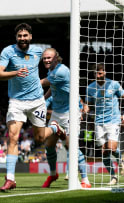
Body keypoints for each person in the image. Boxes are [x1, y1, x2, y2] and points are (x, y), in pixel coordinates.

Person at [0, 23, 66, 192]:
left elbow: (55, 60)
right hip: (16, 102)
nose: (22, 39)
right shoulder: (8, 51)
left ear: (31, 37)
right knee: (12, 137)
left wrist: (56, 76)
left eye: (25, 36)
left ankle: (54, 127)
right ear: (16, 37)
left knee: (40, 139)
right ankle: (10, 179)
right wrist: (15, 72)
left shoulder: (38, 51)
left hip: (37, 101)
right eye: (20, 36)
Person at [40, 48, 91, 188]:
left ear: (56, 57)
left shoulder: (61, 71)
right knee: (49, 145)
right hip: (57, 112)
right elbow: (52, 86)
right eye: (44, 58)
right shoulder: (51, 71)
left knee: (71, 146)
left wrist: (24, 85)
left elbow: (42, 83)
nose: (46, 60)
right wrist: (43, 99)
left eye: (49, 57)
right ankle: (53, 174)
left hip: (71, 112)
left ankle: (85, 179)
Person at [85, 63, 124, 185]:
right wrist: (85, 108)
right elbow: (88, 104)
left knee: (111, 148)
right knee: (104, 151)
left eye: (100, 72)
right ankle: (113, 177)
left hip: (113, 120)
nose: (98, 75)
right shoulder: (90, 88)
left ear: (105, 72)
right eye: (96, 73)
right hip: (98, 122)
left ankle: (120, 161)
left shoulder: (114, 84)